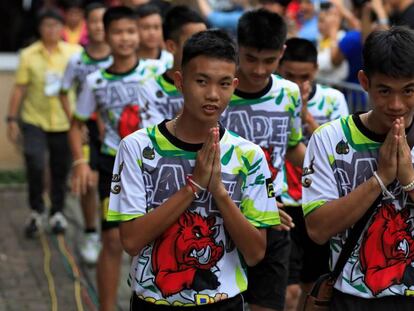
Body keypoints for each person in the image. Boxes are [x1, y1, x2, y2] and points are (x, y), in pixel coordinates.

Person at [107, 28, 281, 310]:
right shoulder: (136, 147)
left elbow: (255, 253)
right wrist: (193, 188)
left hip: (223, 302)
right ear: (180, 81)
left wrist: (220, 193)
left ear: (234, 86)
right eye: (202, 81)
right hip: (153, 301)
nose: (213, 94)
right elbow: (131, 240)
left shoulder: (249, 155)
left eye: (224, 84)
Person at [302, 26, 414, 310]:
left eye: (409, 90)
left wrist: (408, 181)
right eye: (385, 90)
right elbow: (317, 229)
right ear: (364, 81)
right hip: (350, 299)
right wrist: (380, 178)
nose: (397, 104)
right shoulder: (328, 138)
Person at [69, 6, 162, 311]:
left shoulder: (156, 72)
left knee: (155, 239)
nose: (125, 38)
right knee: (112, 241)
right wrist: (81, 162)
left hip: (155, 166)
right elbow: (76, 123)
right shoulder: (95, 80)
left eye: (131, 31)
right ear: (105, 35)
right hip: (115, 168)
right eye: (118, 32)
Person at [221, 9, 303, 311]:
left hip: (276, 219)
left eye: (269, 60)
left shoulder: (289, 93)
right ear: (237, 48)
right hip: (223, 217)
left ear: (282, 52)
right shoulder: (220, 92)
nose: (258, 70)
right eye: (251, 58)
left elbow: (292, 147)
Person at [277, 37, 349, 311]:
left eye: (304, 76)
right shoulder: (274, 97)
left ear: (316, 70)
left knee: (312, 288)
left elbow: (337, 151)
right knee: (289, 290)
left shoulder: (333, 100)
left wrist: (304, 113)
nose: (297, 83)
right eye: (289, 76)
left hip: (318, 202)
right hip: (284, 201)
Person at [6, 9, 81, 238]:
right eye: (46, 25)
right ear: (40, 28)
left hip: (65, 121)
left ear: (62, 28)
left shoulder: (75, 53)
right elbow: (20, 88)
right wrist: (11, 119)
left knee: (61, 168)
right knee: (35, 163)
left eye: (55, 25)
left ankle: (57, 212)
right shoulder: (29, 54)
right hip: (34, 119)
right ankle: (36, 210)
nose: (51, 30)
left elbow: (86, 87)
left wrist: (83, 122)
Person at [60, 2, 111, 265]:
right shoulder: (77, 59)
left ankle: (109, 233)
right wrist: (75, 124)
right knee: (87, 182)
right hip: (86, 127)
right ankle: (91, 233)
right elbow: (63, 90)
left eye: (103, 21)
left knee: (108, 183)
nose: (98, 27)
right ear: (86, 25)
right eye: (93, 21)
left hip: (113, 130)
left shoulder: (119, 58)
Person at [138, 5, 206, 120]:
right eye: (194, 41)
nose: (203, 47)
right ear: (171, 46)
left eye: (206, 40)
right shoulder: (149, 89)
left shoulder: (217, 84)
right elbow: (153, 137)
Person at [135, 3, 173, 71]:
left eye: (156, 27)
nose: (152, 33)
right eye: (146, 28)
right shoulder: (127, 63)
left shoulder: (171, 62)